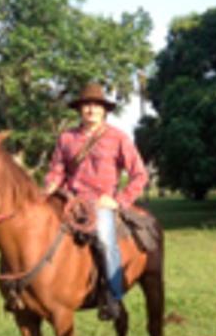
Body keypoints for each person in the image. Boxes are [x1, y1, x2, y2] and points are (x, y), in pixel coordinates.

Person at [44, 82, 148, 321]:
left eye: (95, 105)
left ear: (104, 110)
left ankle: (113, 297)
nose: (90, 110)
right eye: (85, 105)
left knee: (105, 239)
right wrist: (49, 186)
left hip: (101, 203)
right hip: (70, 199)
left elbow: (139, 174)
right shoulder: (66, 138)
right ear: (79, 110)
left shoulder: (118, 138)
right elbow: (57, 170)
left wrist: (118, 200)